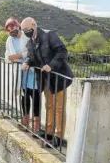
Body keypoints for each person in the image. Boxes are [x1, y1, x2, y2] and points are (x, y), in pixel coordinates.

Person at [21, 17, 74, 147]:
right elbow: (30, 56)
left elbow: (62, 51)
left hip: (58, 78)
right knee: (49, 106)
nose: (25, 32)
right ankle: (49, 132)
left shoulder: (49, 35)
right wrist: (27, 62)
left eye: (27, 29)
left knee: (59, 108)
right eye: (23, 30)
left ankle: (59, 136)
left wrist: (52, 65)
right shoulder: (31, 41)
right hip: (45, 79)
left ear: (34, 25)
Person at [4, 17, 41, 132]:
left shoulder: (27, 36)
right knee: (24, 97)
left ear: (18, 27)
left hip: (32, 71)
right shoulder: (10, 40)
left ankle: (36, 125)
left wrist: (19, 56)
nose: (12, 32)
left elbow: (31, 52)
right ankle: (25, 119)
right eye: (9, 31)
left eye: (13, 29)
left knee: (35, 96)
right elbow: (7, 55)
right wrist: (11, 58)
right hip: (21, 73)